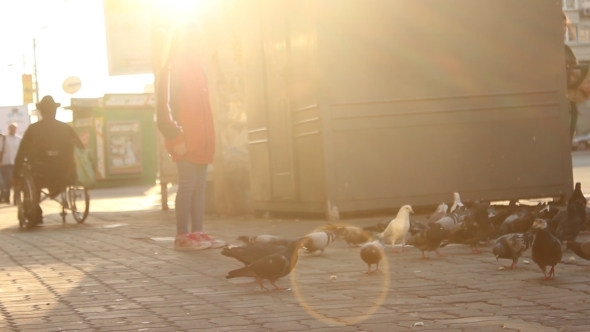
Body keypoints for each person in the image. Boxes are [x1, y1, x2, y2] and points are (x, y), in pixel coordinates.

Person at [156, 22, 225, 250]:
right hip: (183, 140)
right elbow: (164, 109)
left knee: (199, 187)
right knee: (187, 185)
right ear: (184, 42)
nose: (199, 45)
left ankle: (198, 232)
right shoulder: (172, 69)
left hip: (202, 141)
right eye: (195, 41)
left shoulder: (199, 70)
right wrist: (176, 138)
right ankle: (182, 235)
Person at [13, 95, 84, 224]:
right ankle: (55, 190)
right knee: (60, 173)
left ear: (40, 111)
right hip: (64, 172)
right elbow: (81, 147)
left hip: (39, 172)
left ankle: (34, 211)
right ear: (55, 111)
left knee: (28, 177)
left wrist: (15, 174)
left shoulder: (33, 129)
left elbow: (21, 152)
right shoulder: (66, 128)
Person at [0, 123, 21, 204]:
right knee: (8, 181)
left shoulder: (19, 139)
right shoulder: (4, 138)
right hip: (7, 163)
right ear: (9, 129)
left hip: (16, 163)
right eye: (11, 128)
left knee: (17, 181)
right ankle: (7, 197)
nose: (13, 130)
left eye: (14, 128)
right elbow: (1, 151)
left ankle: (16, 199)